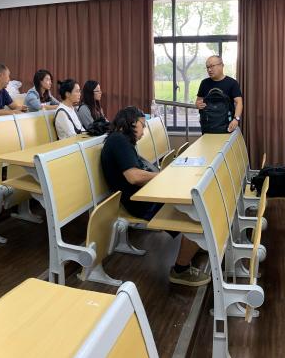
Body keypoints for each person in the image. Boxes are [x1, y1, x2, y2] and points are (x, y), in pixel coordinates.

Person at [100, 106, 210, 286]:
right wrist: (164, 176)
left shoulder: (120, 140)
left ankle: (195, 245)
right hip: (140, 202)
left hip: (144, 195)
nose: (143, 132)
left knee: (195, 206)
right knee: (197, 216)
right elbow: (134, 177)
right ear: (131, 122)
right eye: (142, 125)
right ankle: (180, 270)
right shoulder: (119, 141)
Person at [196, 55, 243, 133]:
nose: (209, 70)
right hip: (207, 127)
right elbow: (198, 101)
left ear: (222, 65)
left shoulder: (232, 83)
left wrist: (236, 119)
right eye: (207, 67)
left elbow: (239, 102)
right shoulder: (204, 83)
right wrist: (198, 105)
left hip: (227, 126)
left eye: (212, 66)